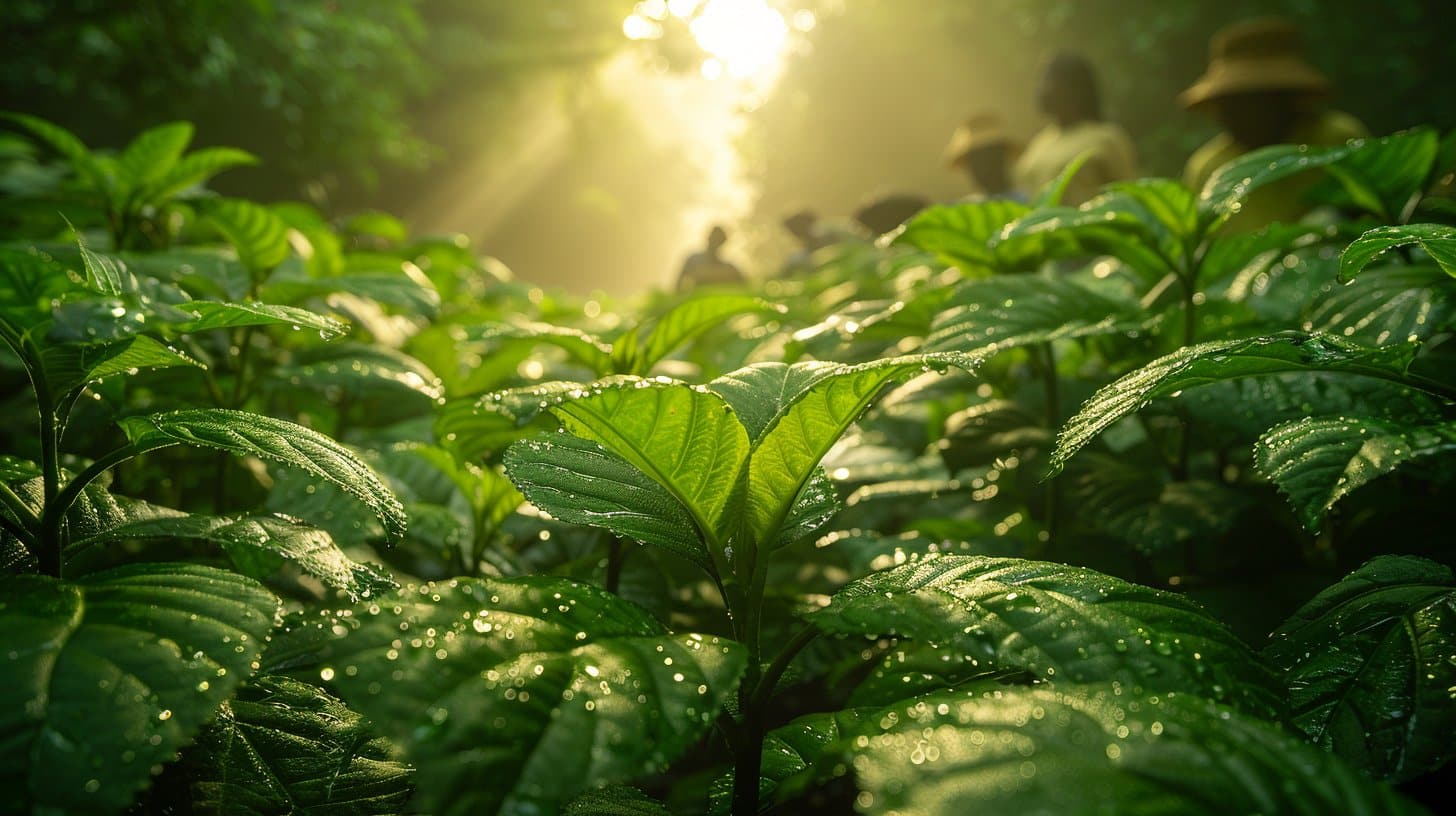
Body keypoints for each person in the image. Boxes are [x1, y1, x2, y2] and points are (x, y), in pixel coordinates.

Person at [1181, 17, 1368, 231]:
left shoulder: (1336, 139)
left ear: (1285, 96)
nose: (1243, 114)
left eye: (1255, 100)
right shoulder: (1208, 168)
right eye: (1232, 102)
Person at [1012, 52, 1138, 206]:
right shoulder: (1039, 143)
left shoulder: (1106, 138)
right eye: (1042, 79)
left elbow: (1131, 197)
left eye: (1051, 79)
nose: (1044, 86)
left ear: (1075, 87)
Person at [945, 112, 1024, 201]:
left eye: (992, 156)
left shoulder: (1028, 202)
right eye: (977, 160)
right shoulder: (967, 210)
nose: (986, 166)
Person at [676, 225, 744, 291]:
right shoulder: (694, 260)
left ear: (722, 243)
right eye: (714, 239)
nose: (715, 242)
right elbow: (678, 285)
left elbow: (745, 285)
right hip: (698, 299)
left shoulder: (729, 268)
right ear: (708, 238)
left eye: (718, 240)